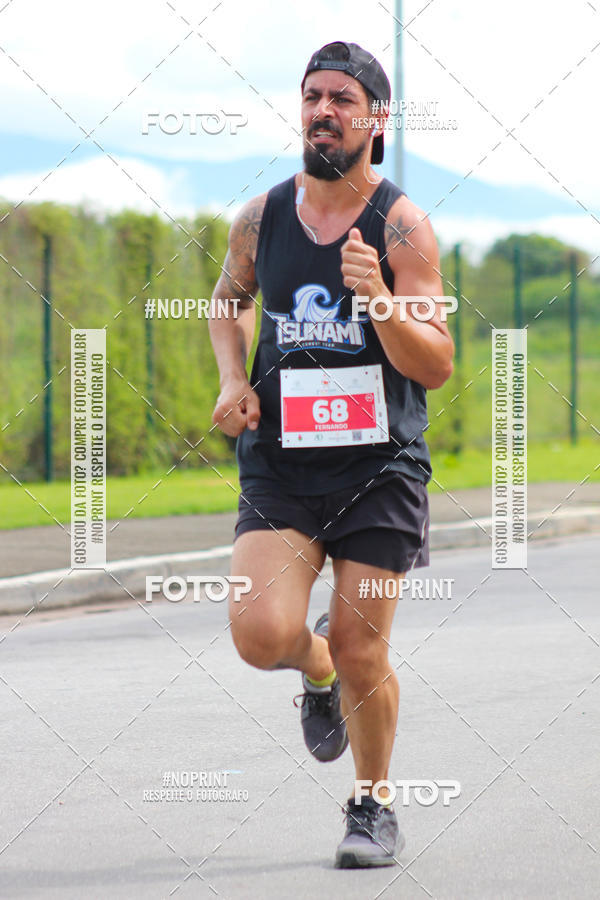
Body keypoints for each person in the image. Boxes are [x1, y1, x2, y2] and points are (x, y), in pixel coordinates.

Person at [208, 40, 454, 868]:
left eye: (343, 98)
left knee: (363, 649)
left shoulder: (403, 225)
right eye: (313, 95)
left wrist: (380, 299)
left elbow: (436, 362)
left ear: (375, 119)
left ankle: (373, 805)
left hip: (379, 468)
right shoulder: (263, 216)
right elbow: (225, 300)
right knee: (258, 633)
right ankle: (313, 671)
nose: (324, 110)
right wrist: (232, 378)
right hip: (282, 460)